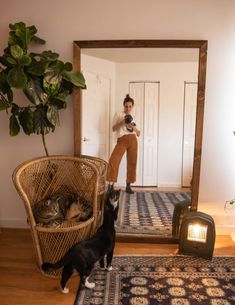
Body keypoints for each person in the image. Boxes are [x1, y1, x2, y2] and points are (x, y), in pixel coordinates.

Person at [106, 94, 140, 194]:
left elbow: (138, 133)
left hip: (133, 139)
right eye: (126, 106)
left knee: (132, 163)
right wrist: (122, 122)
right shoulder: (118, 114)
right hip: (122, 139)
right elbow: (113, 129)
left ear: (132, 106)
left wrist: (132, 126)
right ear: (123, 106)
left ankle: (128, 185)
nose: (128, 108)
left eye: (130, 106)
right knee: (114, 161)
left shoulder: (135, 116)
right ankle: (110, 185)